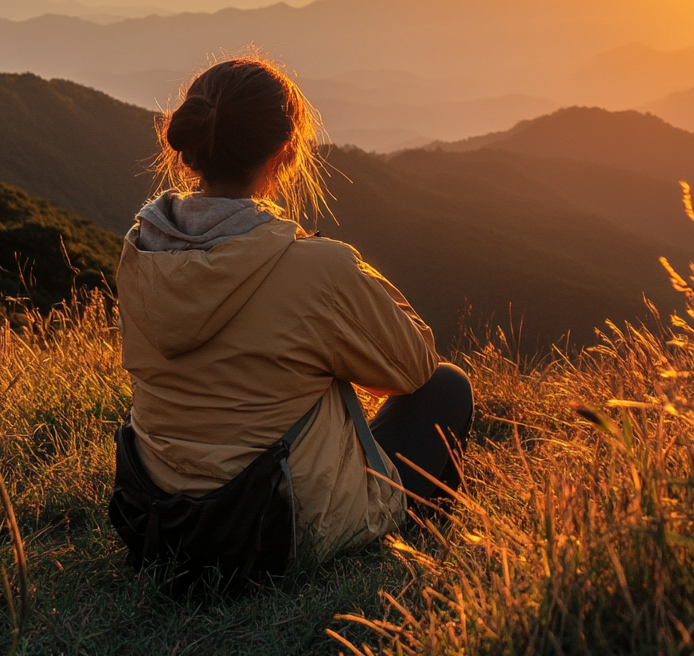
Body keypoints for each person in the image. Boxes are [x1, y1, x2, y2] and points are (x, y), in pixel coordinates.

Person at [116, 56, 473, 557]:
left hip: (156, 519)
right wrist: (340, 271)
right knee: (447, 387)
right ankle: (417, 549)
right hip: (266, 531)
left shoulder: (139, 253)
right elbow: (413, 367)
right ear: (283, 153)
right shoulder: (315, 269)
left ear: (192, 145)